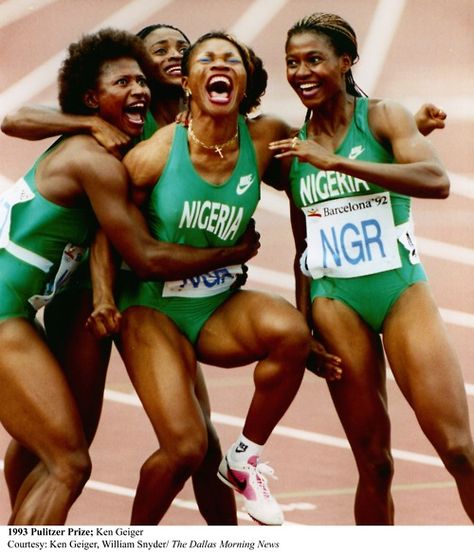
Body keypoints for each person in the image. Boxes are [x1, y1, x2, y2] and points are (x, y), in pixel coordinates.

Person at [0, 27, 259, 525]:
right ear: (94, 97)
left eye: (143, 79)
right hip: (71, 298)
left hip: (83, 300)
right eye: (129, 78)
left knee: (74, 447)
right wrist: (232, 252)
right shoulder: (97, 148)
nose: (141, 85)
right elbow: (15, 118)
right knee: (66, 458)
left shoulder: (177, 128)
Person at [90, 31, 315, 526]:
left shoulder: (262, 140)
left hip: (216, 306)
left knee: (294, 333)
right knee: (187, 447)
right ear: (189, 83)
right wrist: (105, 296)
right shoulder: (156, 152)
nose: (220, 65)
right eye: (207, 60)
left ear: (245, 78)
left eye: (231, 59)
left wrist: (309, 249)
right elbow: (108, 228)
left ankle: (245, 460)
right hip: (151, 307)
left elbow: (312, 181)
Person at [268, 12, 474, 524]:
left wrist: (337, 162)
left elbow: (434, 178)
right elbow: (303, 247)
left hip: (401, 291)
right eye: (292, 63)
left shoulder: (383, 117)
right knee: (374, 465)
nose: (301, 72)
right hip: (336, 303)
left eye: (314, 59)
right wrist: (304, 325)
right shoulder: (295, 150)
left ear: (346, 62)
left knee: (459, 449)